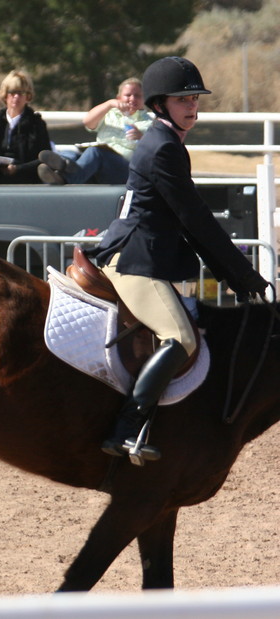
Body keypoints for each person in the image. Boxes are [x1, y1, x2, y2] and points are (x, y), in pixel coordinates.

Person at [89, 56, 271, 462]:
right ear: (159, 104)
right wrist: (243, 276)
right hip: (135, 261)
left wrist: (236, 275)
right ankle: (127, 429)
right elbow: (195, 220)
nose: (192, 106)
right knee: (182, 338)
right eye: (182, 99)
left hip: (143, 255)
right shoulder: (163, 149)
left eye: (195, 99)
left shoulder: (164, 141)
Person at [38, 78, 154, 185]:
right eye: (128, 95)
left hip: (124, 169)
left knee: (95, 152)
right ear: (119, 98)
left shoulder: (149, 122)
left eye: (138, 95)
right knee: (71, 154)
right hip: (100, 165)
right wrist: (109, 104)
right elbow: (88, 122)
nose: (132, 99)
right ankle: (60, 168)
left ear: (144, 99)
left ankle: (65, 180)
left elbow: (156, 150)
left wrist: (142, 137)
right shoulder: (109, 114)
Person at [0, 70, 51, 185]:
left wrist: (18, 168)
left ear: (28, 97)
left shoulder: (36, 123)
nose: (16, 97)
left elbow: (45, 157)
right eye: (12, 92)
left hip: (25, 175)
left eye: (21, 93)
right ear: (5, 95)